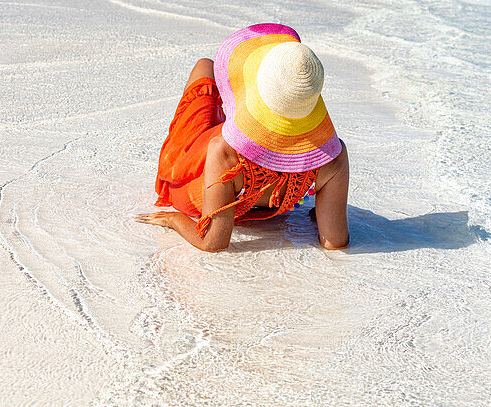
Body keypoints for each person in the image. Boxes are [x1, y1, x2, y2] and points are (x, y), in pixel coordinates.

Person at [136, 23, 349, 252]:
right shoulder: (333, 157)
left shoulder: (224, 151)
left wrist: (173, 220)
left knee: (204, 66)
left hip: (192, 190)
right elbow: (335, 242)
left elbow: (213, 243)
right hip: (262, 201)